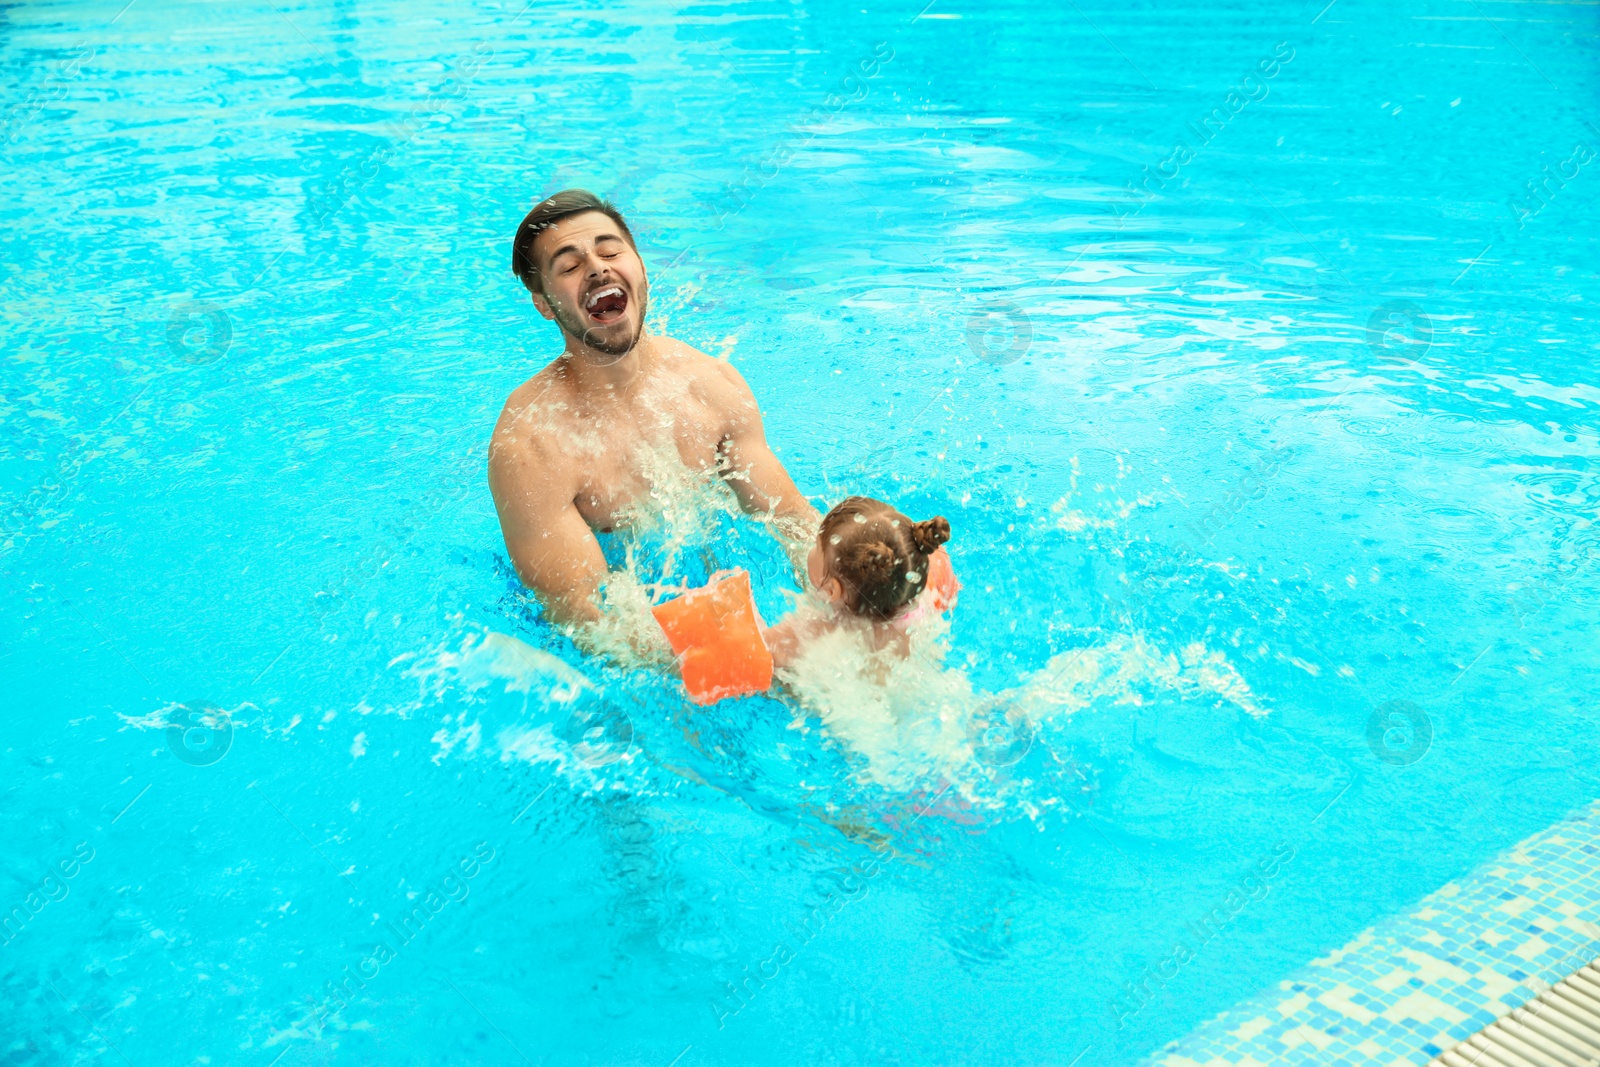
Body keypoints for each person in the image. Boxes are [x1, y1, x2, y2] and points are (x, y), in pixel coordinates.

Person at [489, 189, 820, 632]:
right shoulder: (531, 445)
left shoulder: (712, 385)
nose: (596, 267)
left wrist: (863, 581)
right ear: (545, 304)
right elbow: (590, 619)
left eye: (610, 251)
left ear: (641, 268)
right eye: (569, 266)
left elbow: (796, 526)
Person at [764, 496, 953, 670]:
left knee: (783, 682)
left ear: (832, 590)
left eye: (816, 545)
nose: (811, 548)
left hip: (829, 695)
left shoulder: (814, 631)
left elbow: (757, 652)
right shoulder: (919, 586)